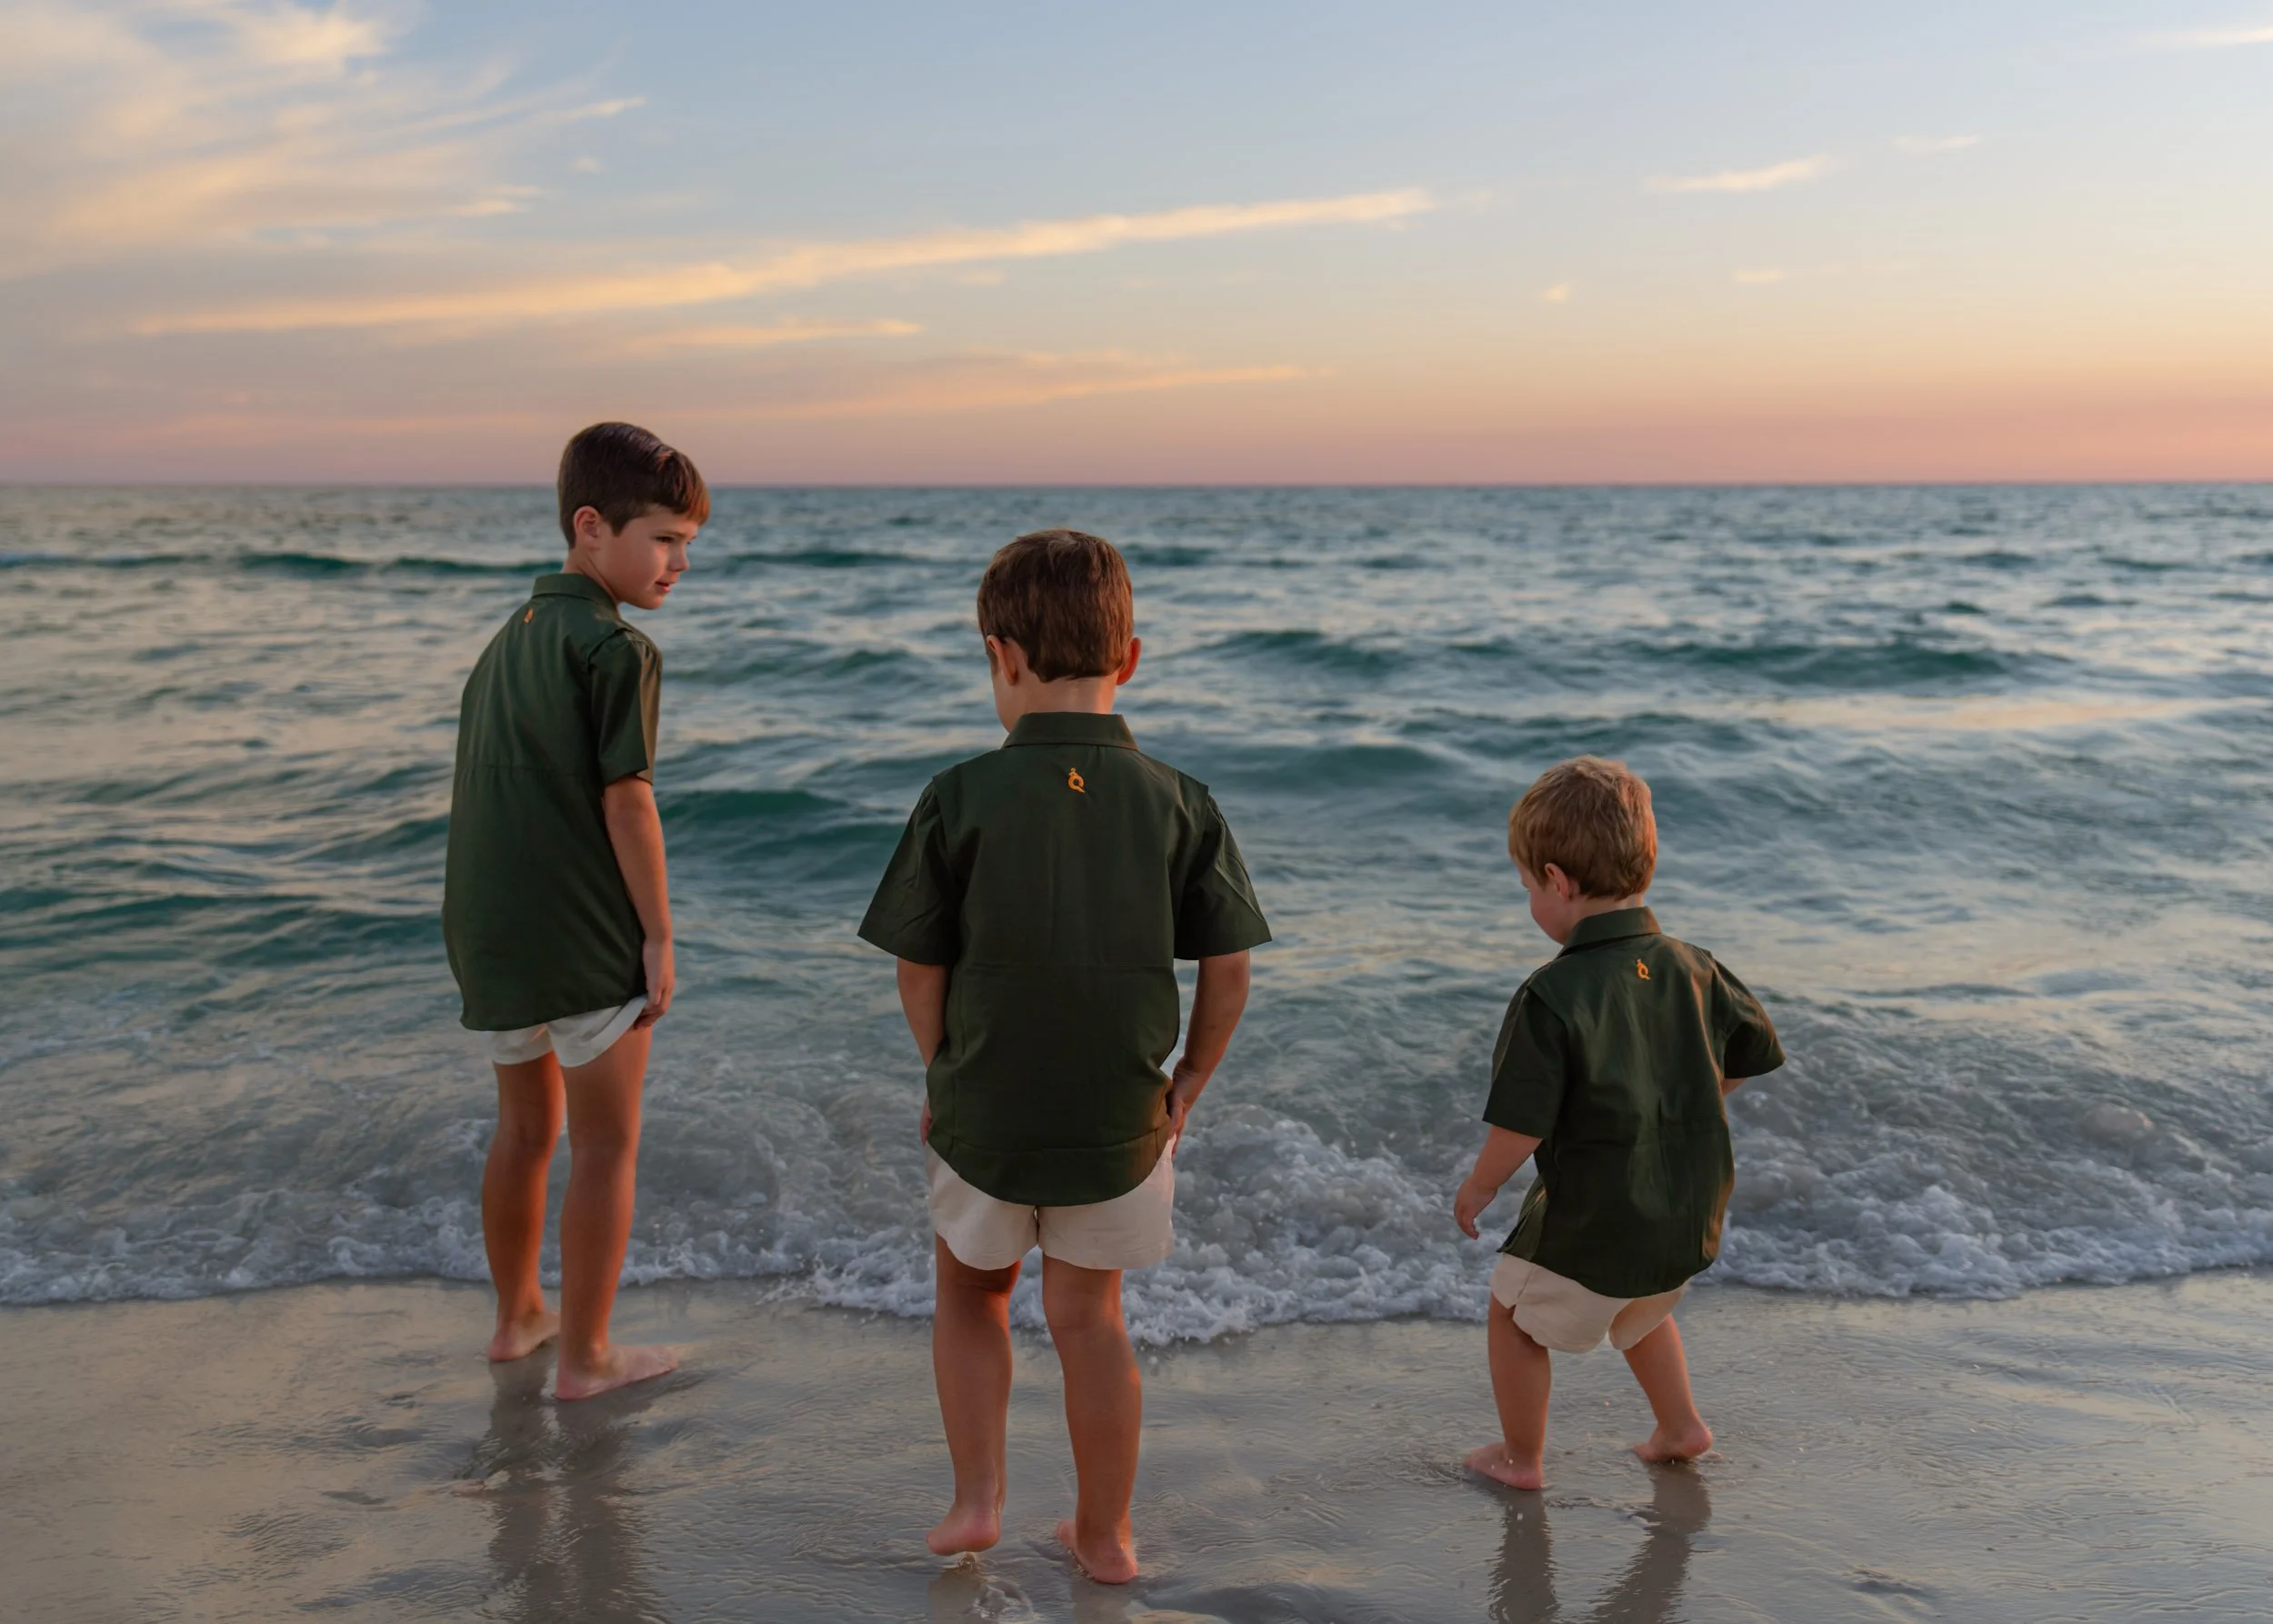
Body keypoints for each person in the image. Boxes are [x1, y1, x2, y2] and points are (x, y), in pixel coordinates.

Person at [859, 528, 1271, 1583]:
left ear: (999, 656)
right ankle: (1104, 1535)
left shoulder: (957, 796)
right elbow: (1227, 970)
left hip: (982, 1115)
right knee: (1090, 1320)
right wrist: (1186, 1085)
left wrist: (940, 1068)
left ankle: (977, 1497)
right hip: (1122, 1123)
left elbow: (918, 971)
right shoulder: (1181, 800)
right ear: (1130, 658)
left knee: (970, 1296)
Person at [442, 421, 707, 1400]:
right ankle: (587, 1356)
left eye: (687, 543)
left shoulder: (503, 642)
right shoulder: (613, 647)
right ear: (591, 527)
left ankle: (518, 1317)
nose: (679, 562)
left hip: (490, 929)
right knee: (605, 1142)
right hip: (579, 930)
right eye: (664, 538)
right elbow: (625, 798)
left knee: (524, 1130)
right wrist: (659, 933)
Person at [1453, 757, 1783, 1489]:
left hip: (1599, 1212)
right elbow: (1748, 1053)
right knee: (1641, 1308)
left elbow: (1522, 1123)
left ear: (1558, 881)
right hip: (1687, 1207)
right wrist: (1694, 1092)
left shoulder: (1553, 993)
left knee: (1512, 1312)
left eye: (1527, 888)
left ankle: (1520, 1458)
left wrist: (1478, 1188)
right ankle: (1680, 1426)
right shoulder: (1695, 966)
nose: (1531, 901)